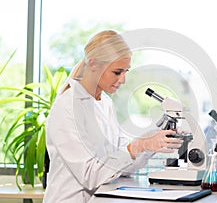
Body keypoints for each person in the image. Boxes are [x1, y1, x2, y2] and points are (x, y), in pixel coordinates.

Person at [43, 30, 183, 203]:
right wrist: (137, 146)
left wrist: (149, 144)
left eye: (126, 71)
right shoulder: (67, 106)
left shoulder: (105, 103)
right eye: (117, 72)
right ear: (93, 64)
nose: (123, 79)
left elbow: (123, 166)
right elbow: (90, 175)